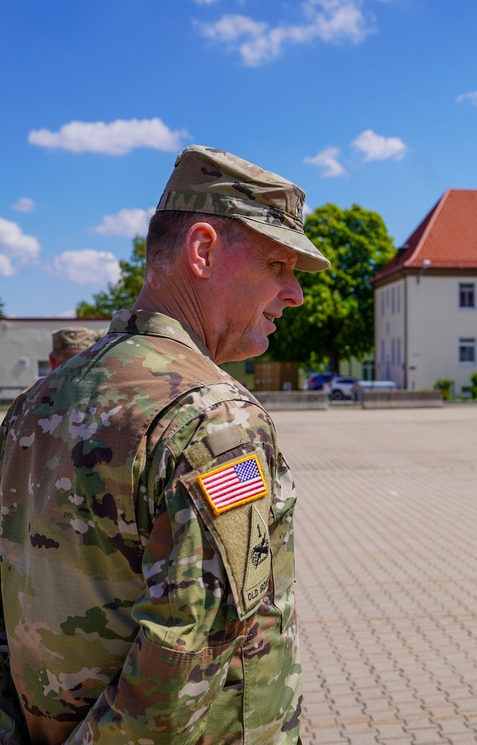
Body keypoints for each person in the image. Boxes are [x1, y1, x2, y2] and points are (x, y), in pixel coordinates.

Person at [0, 145, 330, 743]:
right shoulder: (213, 418)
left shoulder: (34, 404)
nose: (295, 294)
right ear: (202, 251)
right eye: (278, 266)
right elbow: (183, 667)